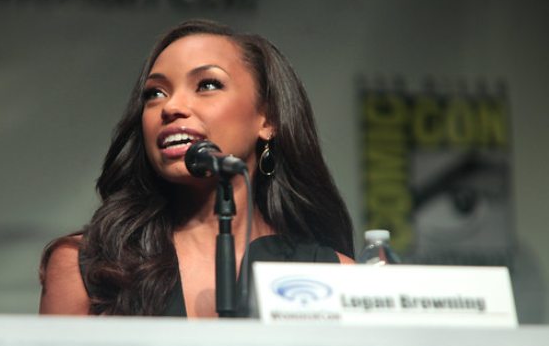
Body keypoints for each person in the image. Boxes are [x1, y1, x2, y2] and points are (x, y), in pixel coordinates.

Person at [39, 19, 354, 318]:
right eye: (155, 93)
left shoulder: (334, 274)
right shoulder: (89, 265)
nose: (171, 107)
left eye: (207, 85)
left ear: (268, 119)